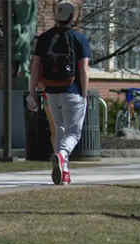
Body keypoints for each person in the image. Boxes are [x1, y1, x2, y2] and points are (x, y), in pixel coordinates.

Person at [28, 1, 90, 185]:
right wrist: (84, 94)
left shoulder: (44, 38)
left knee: (60, 130)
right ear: (73, 17)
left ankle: (65, 172)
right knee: (74, 133)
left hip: (51, 91)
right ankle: (62, 156)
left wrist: (32, 91)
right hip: (73, 91)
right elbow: (84, 69)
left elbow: (35, 67)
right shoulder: (79, 39)